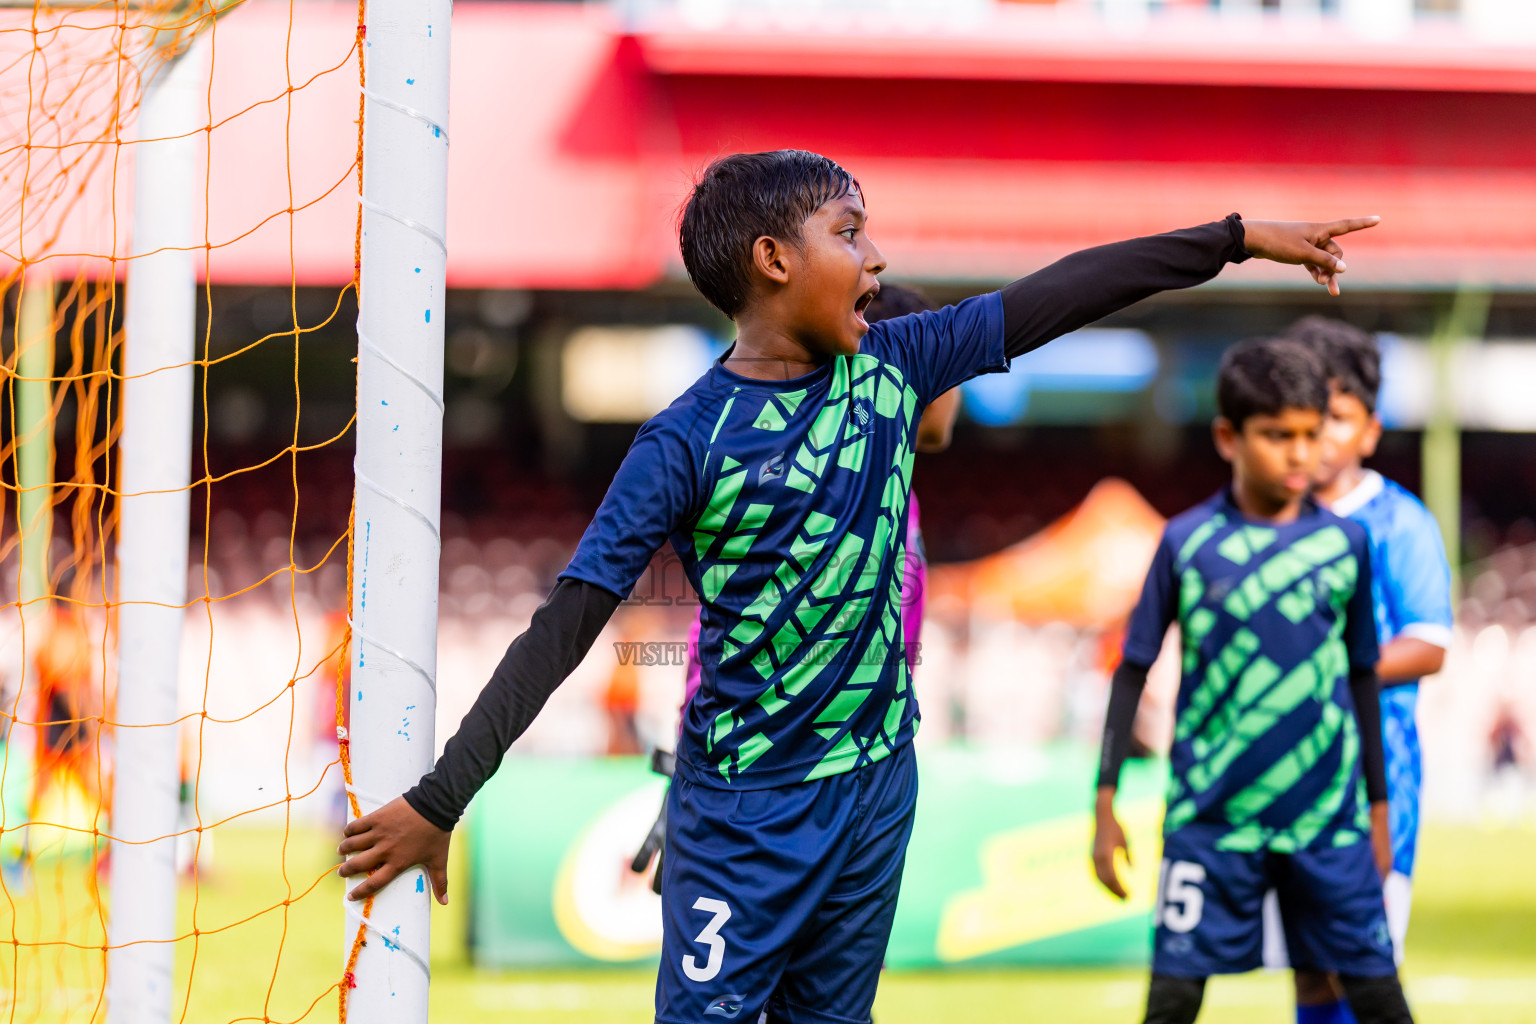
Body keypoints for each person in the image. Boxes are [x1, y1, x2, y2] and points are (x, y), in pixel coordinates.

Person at [338, 147, 1379, 1024]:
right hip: (741, 810)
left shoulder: (898, 366)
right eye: (851, 232)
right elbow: (563, 627)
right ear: (774, 260)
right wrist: (442, 798)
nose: (877, 258)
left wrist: (1235, 236)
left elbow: (1067, 291)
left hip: (876, 788)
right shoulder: (682, 444)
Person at [1092, 337, 1411, 1024]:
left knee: (1380, 1001)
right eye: (1276, 436)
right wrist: (1105, 801)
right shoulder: (1185, 543)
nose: (1300, 453)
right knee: (1172, 1003)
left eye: (1310, 433)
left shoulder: (1346, 545)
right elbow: (1132, 670)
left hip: (1328, 825)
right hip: (1210, 825)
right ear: (1227, 437)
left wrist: (1379, 811)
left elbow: (1362, 679)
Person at [629, 284, 961, 892]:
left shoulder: (892, 494)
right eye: (951, 366)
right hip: (772, 795)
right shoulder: (825, 493)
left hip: (855, 794)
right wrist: (689, 776)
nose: (959, 389)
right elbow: (724, 627)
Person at [1267, 317, 1453, 1024]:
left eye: (1338, 419)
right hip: (1288, 779)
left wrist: (1333, 676)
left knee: (1359, 971)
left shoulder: (1399, 521)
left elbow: (1430, 642)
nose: (1321, 436)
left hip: (1375, 784)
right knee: (1311, 975)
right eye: (1308, 418)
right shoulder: (1277, 518)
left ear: (1369, 430)